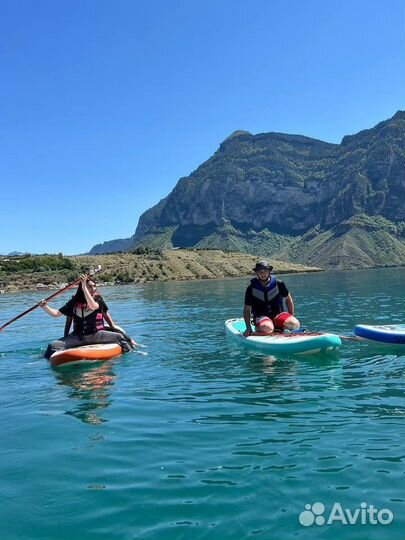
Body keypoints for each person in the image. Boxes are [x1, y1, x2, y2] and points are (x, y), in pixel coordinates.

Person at [39, 274, 136, 358]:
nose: (93, 289)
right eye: (90, 287)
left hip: (96, 335)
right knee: (52, 346)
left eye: (94, 286)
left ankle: (133, 354)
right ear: (82, 288)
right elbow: (56, 314)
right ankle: (44, 360)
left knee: (119, 337)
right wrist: (45, 306)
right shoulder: (73, 302)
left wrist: (84, 287)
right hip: (78, 337)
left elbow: (93, 306)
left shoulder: (98, 300)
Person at [243, 261, 300, 336]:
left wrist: (291, 315)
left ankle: (277, 328)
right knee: (267, 327)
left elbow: (288, 299)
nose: (263, 274)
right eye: (260, 271)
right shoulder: (251, 289)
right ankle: (262, 329)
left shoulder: (279, 284)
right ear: (257, 273)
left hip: (277, 316)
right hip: (261, 317)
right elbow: (247, 309)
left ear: (269, 271)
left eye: (265, 271)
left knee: (295, 324)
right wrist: (248, 328)